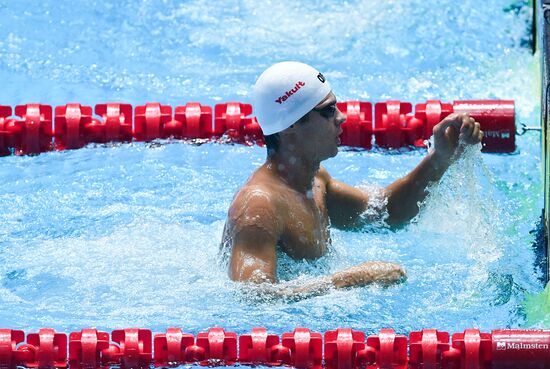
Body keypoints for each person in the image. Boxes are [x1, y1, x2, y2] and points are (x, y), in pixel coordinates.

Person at [220, 61, 483, 297]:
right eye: (328, 110)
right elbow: (253, 297)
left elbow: (386, 213)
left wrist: (440, 158)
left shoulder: (315, 181)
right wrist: (349, 280)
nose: (342, 117)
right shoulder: (259, 206)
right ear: (291, 124)